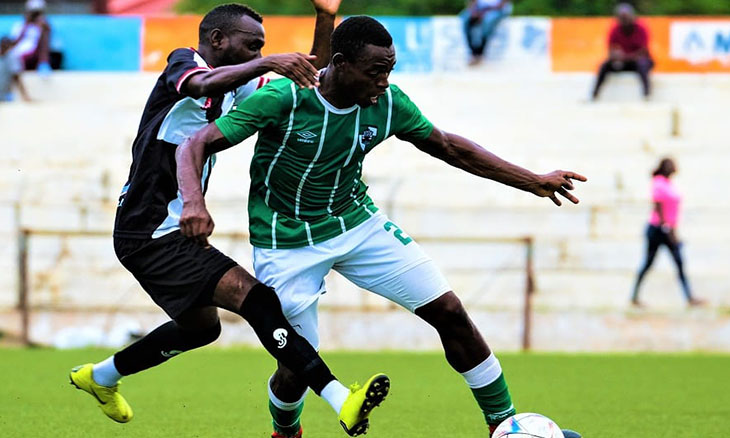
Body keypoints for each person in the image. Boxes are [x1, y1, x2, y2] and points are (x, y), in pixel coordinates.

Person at [176, 15, 586, 438]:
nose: (384, 82)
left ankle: (505, 423)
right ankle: (286, 429)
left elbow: (449, 147)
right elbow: (198, 143)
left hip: (357, 223)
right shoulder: (285, 97)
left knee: (448, 310)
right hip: (286, 240)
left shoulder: (388, 103)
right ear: (339, 63)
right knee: (298, 363)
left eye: (389, 71)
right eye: (376, 72)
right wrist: (193, 201)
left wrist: (532, 181)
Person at [69, 3, 390, 437]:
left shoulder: (240, 86)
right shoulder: (186, 62)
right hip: (148, 231)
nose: (259, 51)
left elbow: (312, 80)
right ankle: (338, 397)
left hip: (167, 230)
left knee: (201, 328)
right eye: (252, 44)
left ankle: (101, 377)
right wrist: (267, 61)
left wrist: (325, 17)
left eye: (262, 46)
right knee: (257, 300)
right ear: (218, 39)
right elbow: (200, 83)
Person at [631, 158, 703, 307]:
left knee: (679, 263)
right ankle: (634, 297)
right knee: (649, 263)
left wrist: (672, 229)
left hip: (668, 229)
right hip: (658, 229)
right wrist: (666, 227)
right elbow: (658, 205)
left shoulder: (669, 184)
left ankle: (689, 297)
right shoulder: (658, 182)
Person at [591, 3, 653, 100]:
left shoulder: (641, 29)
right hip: (623, 61)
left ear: (632, 17)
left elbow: (644, 52)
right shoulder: (615, 30)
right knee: (604, 65)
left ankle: (646, 94)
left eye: (626, 18)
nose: (624, 21)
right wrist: (618, 57)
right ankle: (594, 94)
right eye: (622, 18)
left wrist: (624, 57)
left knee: (642, 64)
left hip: (636, 62)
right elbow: (610, 51)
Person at [460, 0, 512, 66]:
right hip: (479, 9)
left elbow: (503, 3)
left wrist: (486, 12)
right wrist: (473, 11)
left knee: (488, 21)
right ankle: (473, 53)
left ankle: (480, 52)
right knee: (465, 19)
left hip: (498, 9)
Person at [9, 0, 52, 74]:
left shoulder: (44, 25)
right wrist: (26, 25)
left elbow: (45, 43)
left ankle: (43, 65)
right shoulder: (19, 25)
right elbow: (14, 42)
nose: (34, 16)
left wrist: (42, 28)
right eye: (33, 13)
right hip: (20, 53)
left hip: (36, 54)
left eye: (37, 13)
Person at [0, 36, 30, 102]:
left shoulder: (12, 57)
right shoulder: (12, 56)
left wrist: (25, 96)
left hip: (3, 95)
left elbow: (17, 77)